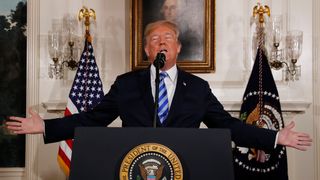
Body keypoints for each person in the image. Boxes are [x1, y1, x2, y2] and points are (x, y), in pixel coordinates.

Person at [6, 20, 311, 151]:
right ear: (147, 52)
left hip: (185, 169)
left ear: (177, 48)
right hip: (134, 167)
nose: (161, 42)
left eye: (167, 39)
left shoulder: (198, 88)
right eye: (154, 40)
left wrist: (274, 138)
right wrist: (45, 127)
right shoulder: (126, 85)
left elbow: (227, 126)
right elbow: (92, 119)